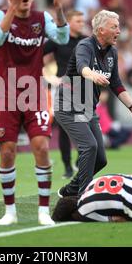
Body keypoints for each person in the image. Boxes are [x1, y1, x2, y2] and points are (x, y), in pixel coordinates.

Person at [0, 0, 69, 226]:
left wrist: (58, 8)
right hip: (5, 92)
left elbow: (63, 38)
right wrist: (12, 8)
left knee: (43, 148)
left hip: (34, 91)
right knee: (7, 152)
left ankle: (43, 211)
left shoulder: (41, 18)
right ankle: (10, 212)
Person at [54, 10, 132, 199]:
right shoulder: (85, 46)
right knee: (89, 147)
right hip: (67, 105)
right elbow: (82, 68)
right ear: (101, 30)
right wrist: (92, 75)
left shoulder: (113, 52)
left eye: (118, 26)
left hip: (88, 108)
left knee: (101, 159)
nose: (119, 30)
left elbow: (116, 83)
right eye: (114, 27)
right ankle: (83, 198)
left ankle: (70, 190)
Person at [43, 9, 86, 179]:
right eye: (78, 21)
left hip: (83, 88)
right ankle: (68, 167)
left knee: (84, 125)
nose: (82, 24)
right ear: (68, 23)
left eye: (83, 21)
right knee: (63, 128)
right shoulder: (59, 39)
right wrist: (50, 76)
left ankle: (79, 161)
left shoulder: (86, 41)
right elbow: (37, 55)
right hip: (63, 88)